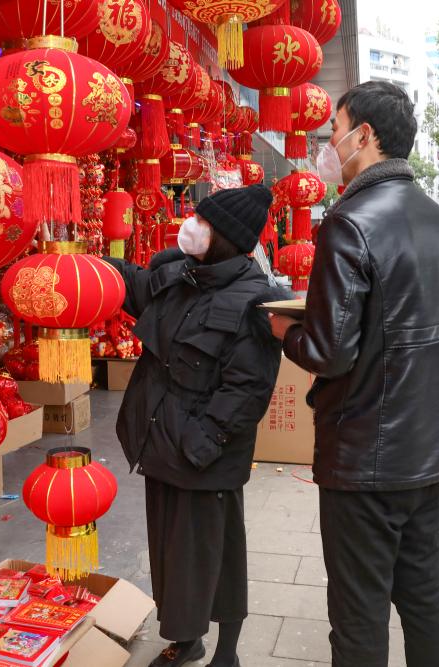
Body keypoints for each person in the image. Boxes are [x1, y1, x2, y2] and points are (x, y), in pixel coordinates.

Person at [269, 81, 439, 667]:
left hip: (367, 453)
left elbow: (330, 351)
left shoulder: (350, 221)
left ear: (366, 136)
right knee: (423, 592)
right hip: (430, 447)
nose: (329, 142)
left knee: (357, 616)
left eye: (334, 129)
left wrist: (285, 332)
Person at [105, 185, 285, 667]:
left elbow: (247, 389)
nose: (191, 226)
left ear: (226, 236)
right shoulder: (183, 277)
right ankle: (187, 638)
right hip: (160, 440)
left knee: (217, 556)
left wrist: (201, 445)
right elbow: (136, 286)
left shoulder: (254, 301)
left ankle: (226, 651)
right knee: (171, 554)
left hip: (203, 454)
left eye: (203, 222)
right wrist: (91, 264)